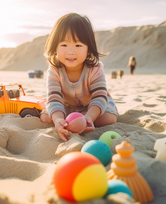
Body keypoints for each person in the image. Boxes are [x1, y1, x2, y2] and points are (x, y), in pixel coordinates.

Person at [40, 13, 118, 142]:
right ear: (55, 48)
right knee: (46, 118)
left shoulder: (95, 68)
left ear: (88, 49)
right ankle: (71, 118)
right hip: (67, 105)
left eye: (78, 45)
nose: (70, 51)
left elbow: (99, 96)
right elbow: (54, 98)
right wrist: (58, 120)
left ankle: (79, 118)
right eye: (64, 45)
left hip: (92, 104)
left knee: (109, 119)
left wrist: (89, 117)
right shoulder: (54, 70)